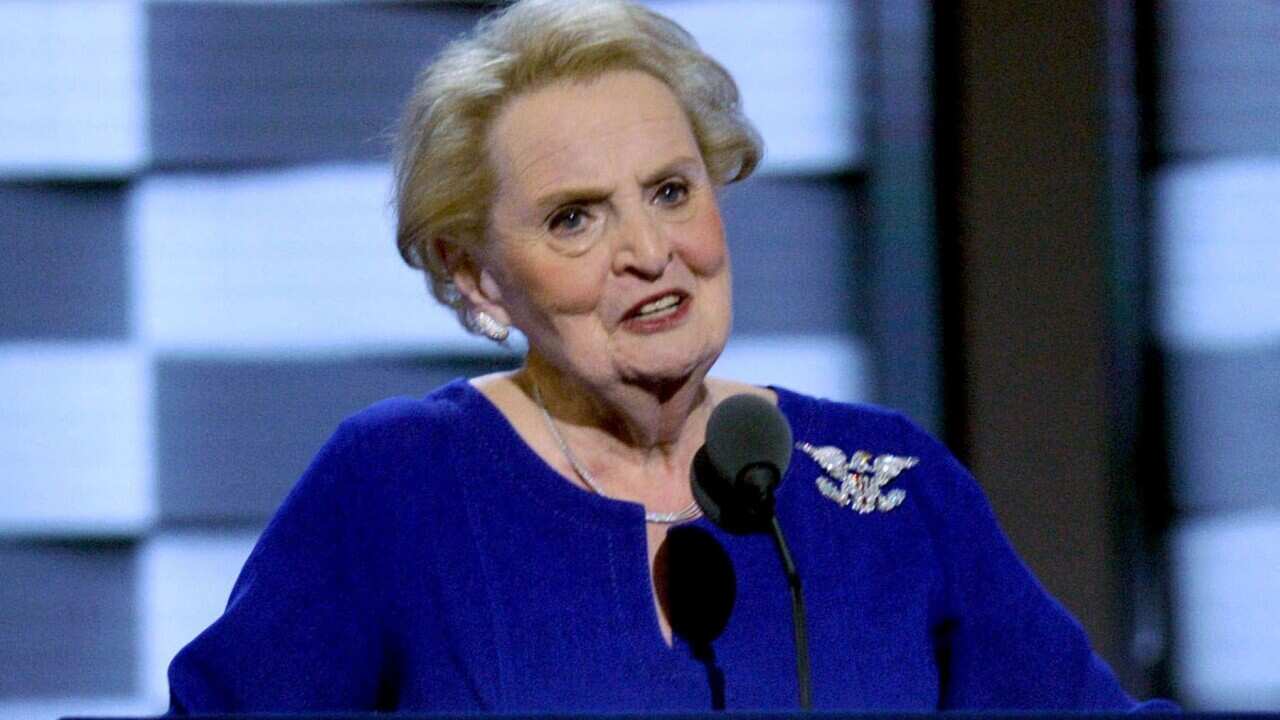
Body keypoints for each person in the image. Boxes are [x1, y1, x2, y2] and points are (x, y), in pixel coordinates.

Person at [166, 0, 1172, 713]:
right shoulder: (396, 485)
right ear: (475, 275)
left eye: (670, 191)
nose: (649, 252)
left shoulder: (887, 485)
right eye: (575, 218)